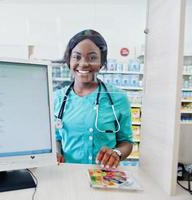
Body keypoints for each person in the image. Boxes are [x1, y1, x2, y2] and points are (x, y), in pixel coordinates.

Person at [54, 29, 133, 168]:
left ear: (102, 62)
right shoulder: (57, 98)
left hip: (104, 176)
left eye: (92, 58)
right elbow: (57, 138)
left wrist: (116, 153)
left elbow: (126, 142)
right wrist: (56, 152)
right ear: (68, 60)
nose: (83, 63)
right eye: (77, 57)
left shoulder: (118, 98)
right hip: (68, 176)